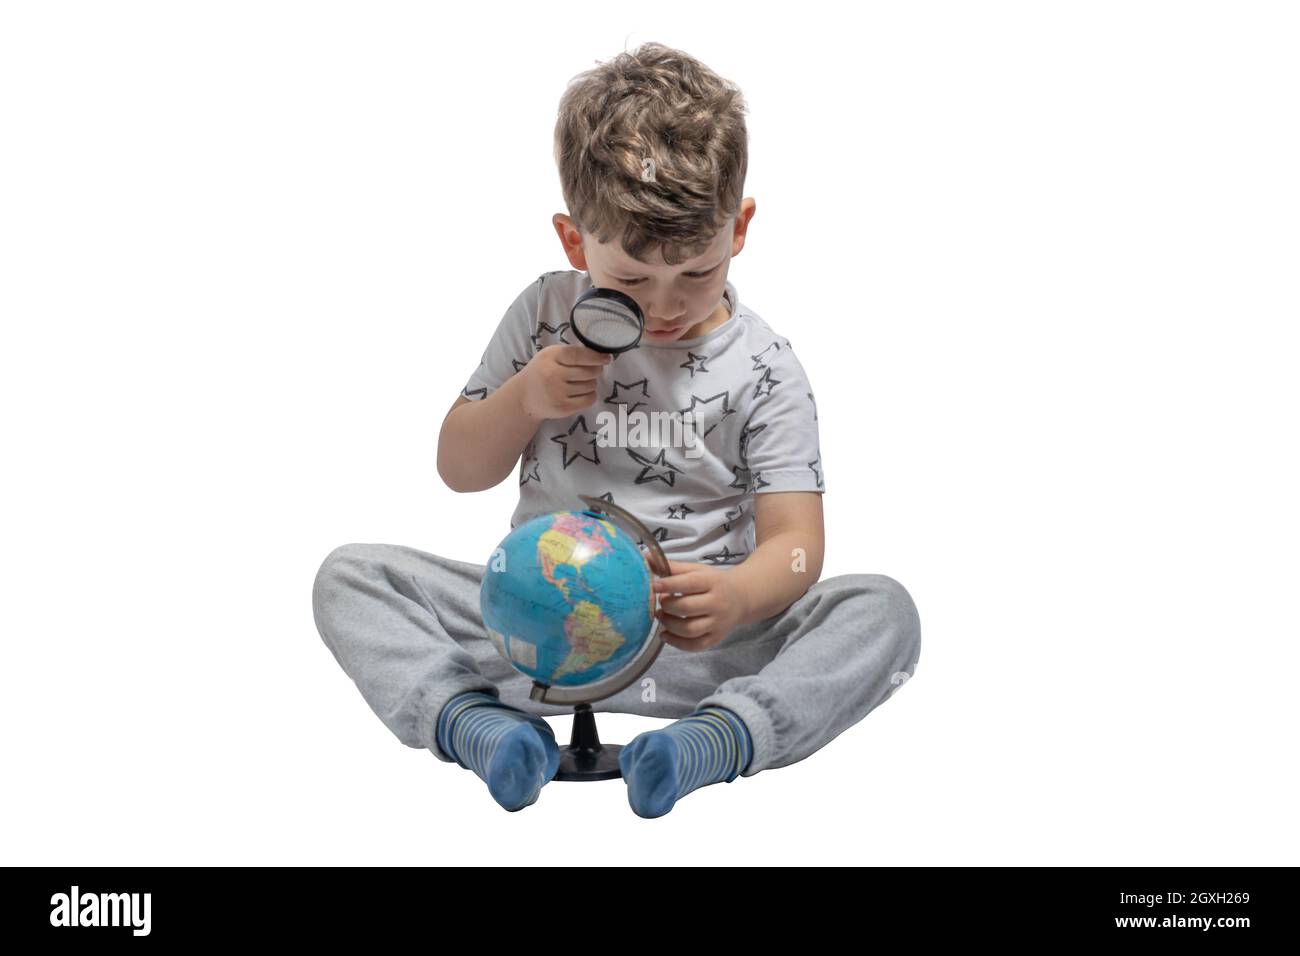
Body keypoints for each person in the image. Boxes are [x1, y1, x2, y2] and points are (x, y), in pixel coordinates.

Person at [312, 42, 921, 818]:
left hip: (701, 648)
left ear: (739, 228)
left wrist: (737, 595)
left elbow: (799, 544)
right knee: (351, 577)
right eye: (631, 280)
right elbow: (459, 469)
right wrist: (524, 400)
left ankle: (716, 739)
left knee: (883, 611)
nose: (666, 305)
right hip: (532, 635)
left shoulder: (766, 367)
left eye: (697, 273)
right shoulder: (541, 315)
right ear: (575, 243)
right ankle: (484, 729)